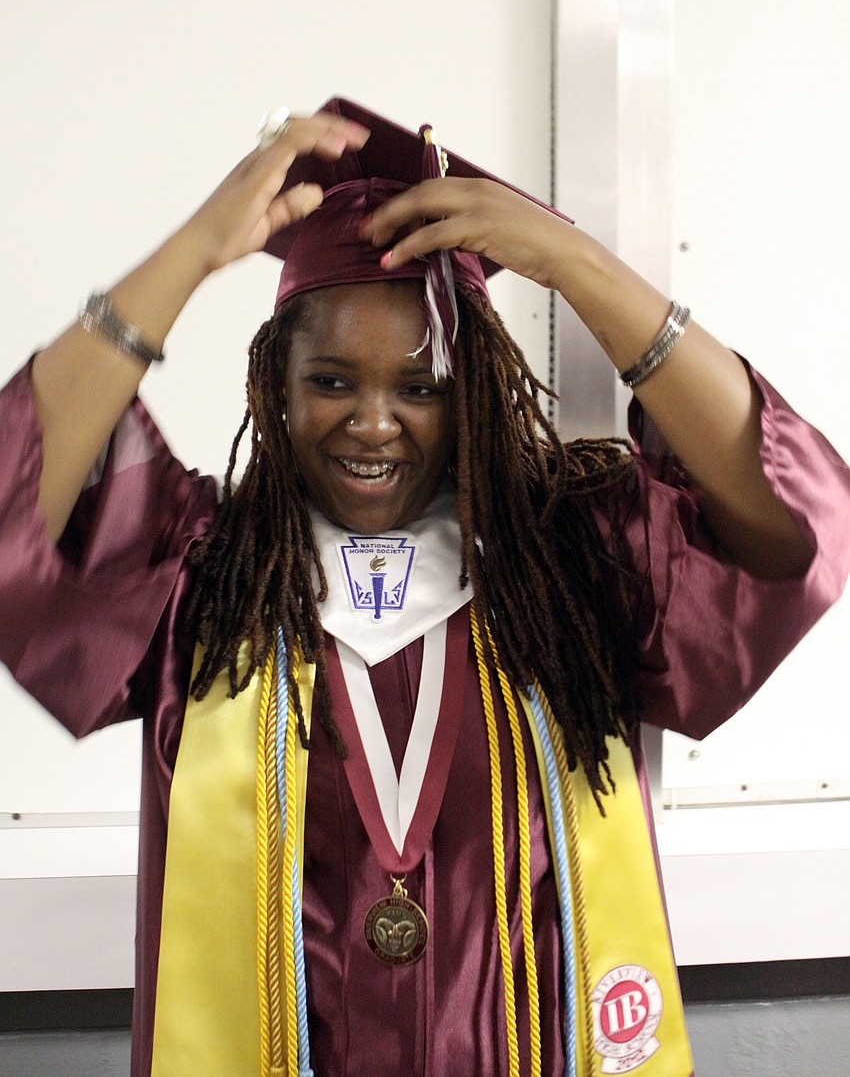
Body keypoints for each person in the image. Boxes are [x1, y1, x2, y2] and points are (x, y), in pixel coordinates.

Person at [1, 98, 848, 1077]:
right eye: (331, 382)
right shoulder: (199, 576)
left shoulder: (577, 562)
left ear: (475, 390)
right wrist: (190, 253)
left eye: (422, 386)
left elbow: (798, 528)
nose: (373, 422)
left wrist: (578, 264)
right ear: (275, 387)